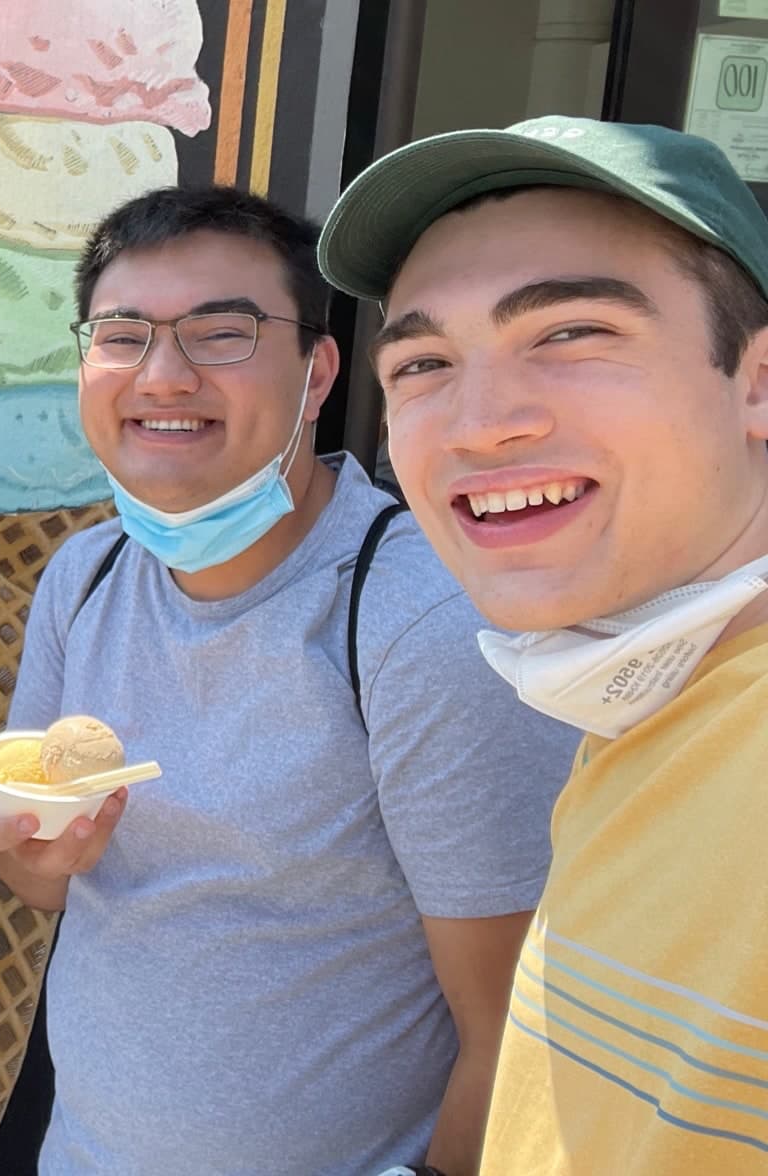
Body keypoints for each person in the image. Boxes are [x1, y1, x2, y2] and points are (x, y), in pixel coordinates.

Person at [0, 187, 580, 1175]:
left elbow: (517, 1024)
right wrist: (35, 860)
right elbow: (35, 879)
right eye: (123, 335)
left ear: (316, 374)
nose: (163, 375)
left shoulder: (415, 625)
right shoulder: (79, 581)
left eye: (223, 334)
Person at [319, 116, 768, 1174]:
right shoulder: (635, 715)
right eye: (424, 361)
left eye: (572, 333)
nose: (479, 424)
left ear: (755, 383)